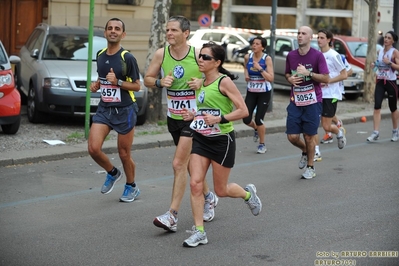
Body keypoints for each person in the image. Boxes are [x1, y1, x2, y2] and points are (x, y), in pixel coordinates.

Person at [181, 42, 262, 247]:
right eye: (200, 56)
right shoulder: (202, 82)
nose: (200, 60)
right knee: (195, 183)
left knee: (221, 189)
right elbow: (206, 110)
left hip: (221, 140)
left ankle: (247, 194)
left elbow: (243, 111)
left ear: (217, 62)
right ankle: (199, 231)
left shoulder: (224, 82)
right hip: (201, 137)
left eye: (206, 57)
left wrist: (220, 119)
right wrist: (194, 115)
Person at [144, 16, 218, 232]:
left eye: (173, 30)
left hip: (194, 119)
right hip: (174, 118)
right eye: (167, 30)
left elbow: (218, 78)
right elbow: (147, 78)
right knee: (187, 164)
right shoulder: (161, 54)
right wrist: (159, 82)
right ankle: (208, 197)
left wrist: (202, 82)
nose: (169, 34)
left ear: (186, 33)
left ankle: (172, 215)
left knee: (178, 164)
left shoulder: (198, 55)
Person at [88, 18, 141, 202]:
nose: (113, 31)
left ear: (123, 34)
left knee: (124, 153)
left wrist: (117, 82)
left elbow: (137, 86)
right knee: (94, 148)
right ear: (105, 33)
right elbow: (102, 78)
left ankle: (131, 186)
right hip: (105, 108)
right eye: (110, 28)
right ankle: (112, 172)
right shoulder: (100, 54)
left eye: (117, 29)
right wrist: (97, 85)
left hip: (125, 109)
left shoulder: (128, 57)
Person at [284, 26, 329, 179]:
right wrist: (290, 79)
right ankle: (304, 150)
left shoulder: (317, 56)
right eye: (298, 33)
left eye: (303, 34)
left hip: (312, 101)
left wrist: (308, 73)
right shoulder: (291, 56)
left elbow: (326, 78)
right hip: (295, 101)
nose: (300, 36)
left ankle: (311, 167)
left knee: (309, 136)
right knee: (292, 136)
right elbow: (287, 74)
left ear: (310, 38)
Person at [313, 29, 348, 162]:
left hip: (331, 94)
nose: (319, 40)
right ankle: (316, 151)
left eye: (322, 37)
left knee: (326, 126)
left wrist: (327, 81)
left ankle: (339, 132)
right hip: (317, 94)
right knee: (313, 124)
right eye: (318, 37)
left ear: (328, 40)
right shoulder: (316, 55)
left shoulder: (334, 55)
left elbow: (344, 74)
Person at [242, 36, 274, 154]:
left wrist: (260, 69)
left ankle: (262, 144)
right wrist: (246, 74)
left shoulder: (267, 59)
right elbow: (245, 67)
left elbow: (271, 78)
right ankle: (256, 128)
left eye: (257, 44)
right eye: (253, 43)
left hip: (264, 93)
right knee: (246, 118)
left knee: (259, 119)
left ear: (263, 47)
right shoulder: (248, 57)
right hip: (251, 91)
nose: (254, 46)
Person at [367, 31, 399, 142]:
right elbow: (379, 64)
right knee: (377, 106)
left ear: (393, 41)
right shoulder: (380, 51)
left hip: (391, 82)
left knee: (393, 107)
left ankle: (395, 131)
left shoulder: (395, 52)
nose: (386, 39)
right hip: (380, 81)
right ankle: (376, 133)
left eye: (389, 38)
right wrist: (374, 65)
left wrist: (390, 62)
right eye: (385, 37)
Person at [319, 54, 352, 146]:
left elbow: (349, 71)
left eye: (322, 38)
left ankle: (335, 126)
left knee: (328, 113)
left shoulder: (337, 56)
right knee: (323, 112)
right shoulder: (320, 55)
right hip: (322, 91)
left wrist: (335, 79)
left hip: (335, 91)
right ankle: (332, 130)